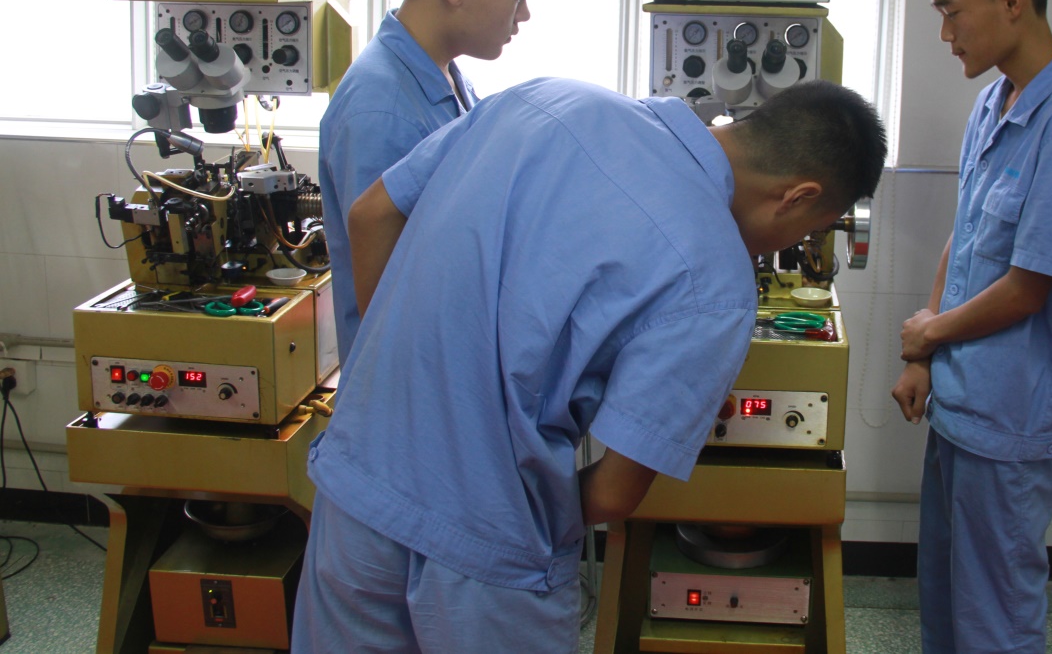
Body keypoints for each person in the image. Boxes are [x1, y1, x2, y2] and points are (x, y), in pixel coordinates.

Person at [292, 76, 887, 654]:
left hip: (356, 489)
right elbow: (615, 492)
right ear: (797, 196)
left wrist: (390, 377)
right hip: (488, 561)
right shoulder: (716, 286)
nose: (783, 248)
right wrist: (517, 512)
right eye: (806, 231)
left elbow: (373, 214)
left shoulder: (544, 98)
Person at [891, 0, 1052, 654]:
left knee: (995, 613)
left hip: (1011, 418)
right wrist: (924, 354)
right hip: (961, 403)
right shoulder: (995, 103)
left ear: (1011, 0)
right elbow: (966, 235)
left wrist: (931, 332)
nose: (946, 33)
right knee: (946, 597)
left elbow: (1031, 287)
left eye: (951, 11)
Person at [319, 0, 553, 368]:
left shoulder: (441, 77)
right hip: (408, 390)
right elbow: (394, 304)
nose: (525, 15)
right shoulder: (381, 111)